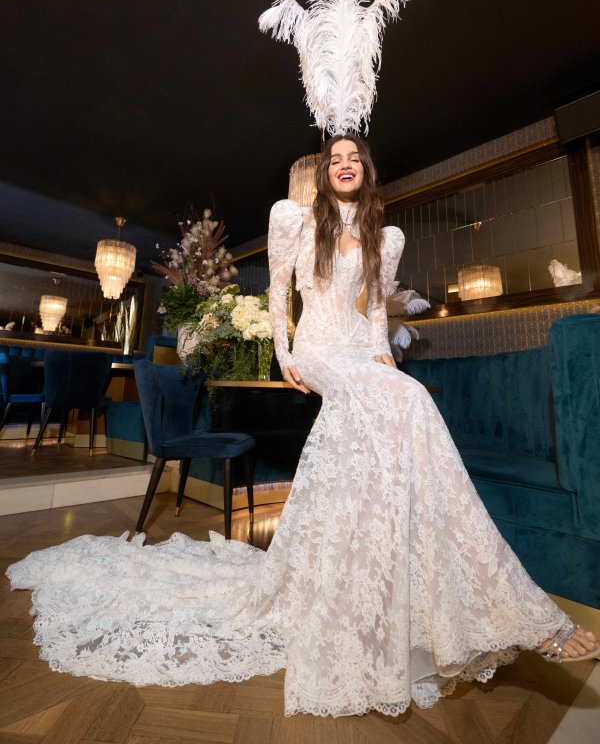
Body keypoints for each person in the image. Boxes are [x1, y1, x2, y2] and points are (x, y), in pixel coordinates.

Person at [6, 134, 599, 719]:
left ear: (365, 170)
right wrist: (284, 353)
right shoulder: (292, 218)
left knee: (409, 399)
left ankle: (399, 588)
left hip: (358, 350)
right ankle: (512, 610)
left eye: (353, 158)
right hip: (316, 348)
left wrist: (381, 354)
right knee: (409, 401)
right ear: (324, 172)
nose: (344, 165)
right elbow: (277, 289)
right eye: (334, 159)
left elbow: (375, 308)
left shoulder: (385, 236)